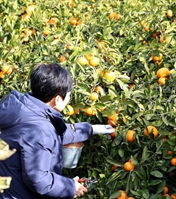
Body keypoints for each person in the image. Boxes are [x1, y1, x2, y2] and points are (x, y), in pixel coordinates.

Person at [0, 63, 114, 199]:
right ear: (58, 99)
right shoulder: (39, 129)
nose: (69, 98)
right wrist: (71, 187)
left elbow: (57, 133)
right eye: (69, 95)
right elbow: (39, 180)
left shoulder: (21, 110)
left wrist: (93, 129)